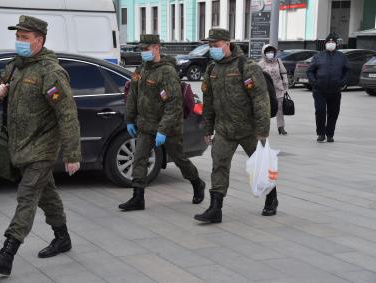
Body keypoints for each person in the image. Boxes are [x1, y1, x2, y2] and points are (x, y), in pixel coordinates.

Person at [0, 15, 81, 276]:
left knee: (27, 195)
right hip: (21, 144)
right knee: (47, 194)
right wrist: (1, 94)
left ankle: (6, 254)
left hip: (43, 146)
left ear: (39, 40)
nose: (19, 41)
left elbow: (67, 114)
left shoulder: (50, 72)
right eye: (17, 36)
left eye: (24, 37)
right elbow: (13, 102)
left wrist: (71, 154)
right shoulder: (16, 67)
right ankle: (62, 237)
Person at [194, 28, 278, 224]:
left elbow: (261, 100)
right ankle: (215, 208)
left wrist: (262, 130)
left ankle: (271, 198)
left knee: (261, 166)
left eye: (215, 45)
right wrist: (207, 129)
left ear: (227, 43)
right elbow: (209, 102)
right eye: (209, 46)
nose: (212, 49)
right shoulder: (211, 69)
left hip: (249, 130)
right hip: (224, 129)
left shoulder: (246, 66)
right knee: (219, 166)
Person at [119, 34, 206, 211]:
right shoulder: (141, 69)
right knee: (139, 158)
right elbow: (133, 96)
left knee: (180, 159)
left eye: (146, 49)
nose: (143, 52)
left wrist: (163, 130)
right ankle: (138, 198)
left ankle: (197, 182)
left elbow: (174, 104)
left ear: (157, 48)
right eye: (141, 49)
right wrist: (129, 119)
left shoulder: (167, 71)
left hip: (168, 127)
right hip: (145, 124)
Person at [306, 32, 350, 143]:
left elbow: (347, 71)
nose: (331, 43)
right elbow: (310, 71)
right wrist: (315, 82)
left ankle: (330, 134)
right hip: (319, 90)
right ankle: (321, 133)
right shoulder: (318, 56)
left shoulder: (342, 57)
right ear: (325, 44)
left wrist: (342, 82)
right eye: (329, 42)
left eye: (333, 42)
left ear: (336, 44)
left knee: (333, 112)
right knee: (320, 111)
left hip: (335, 90)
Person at [258, 44, 289, 135]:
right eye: (268, 52)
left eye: (272, 52)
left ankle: (281, 127)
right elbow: (257, 76)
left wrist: (285, 85)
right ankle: (265, 128)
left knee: (279, 109)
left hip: (278, 89)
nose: (270, 54)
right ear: (264, 53)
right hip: (266, 90)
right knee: (266, 110)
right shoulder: (261, 63)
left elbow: (283, 72)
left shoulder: (278, 61)